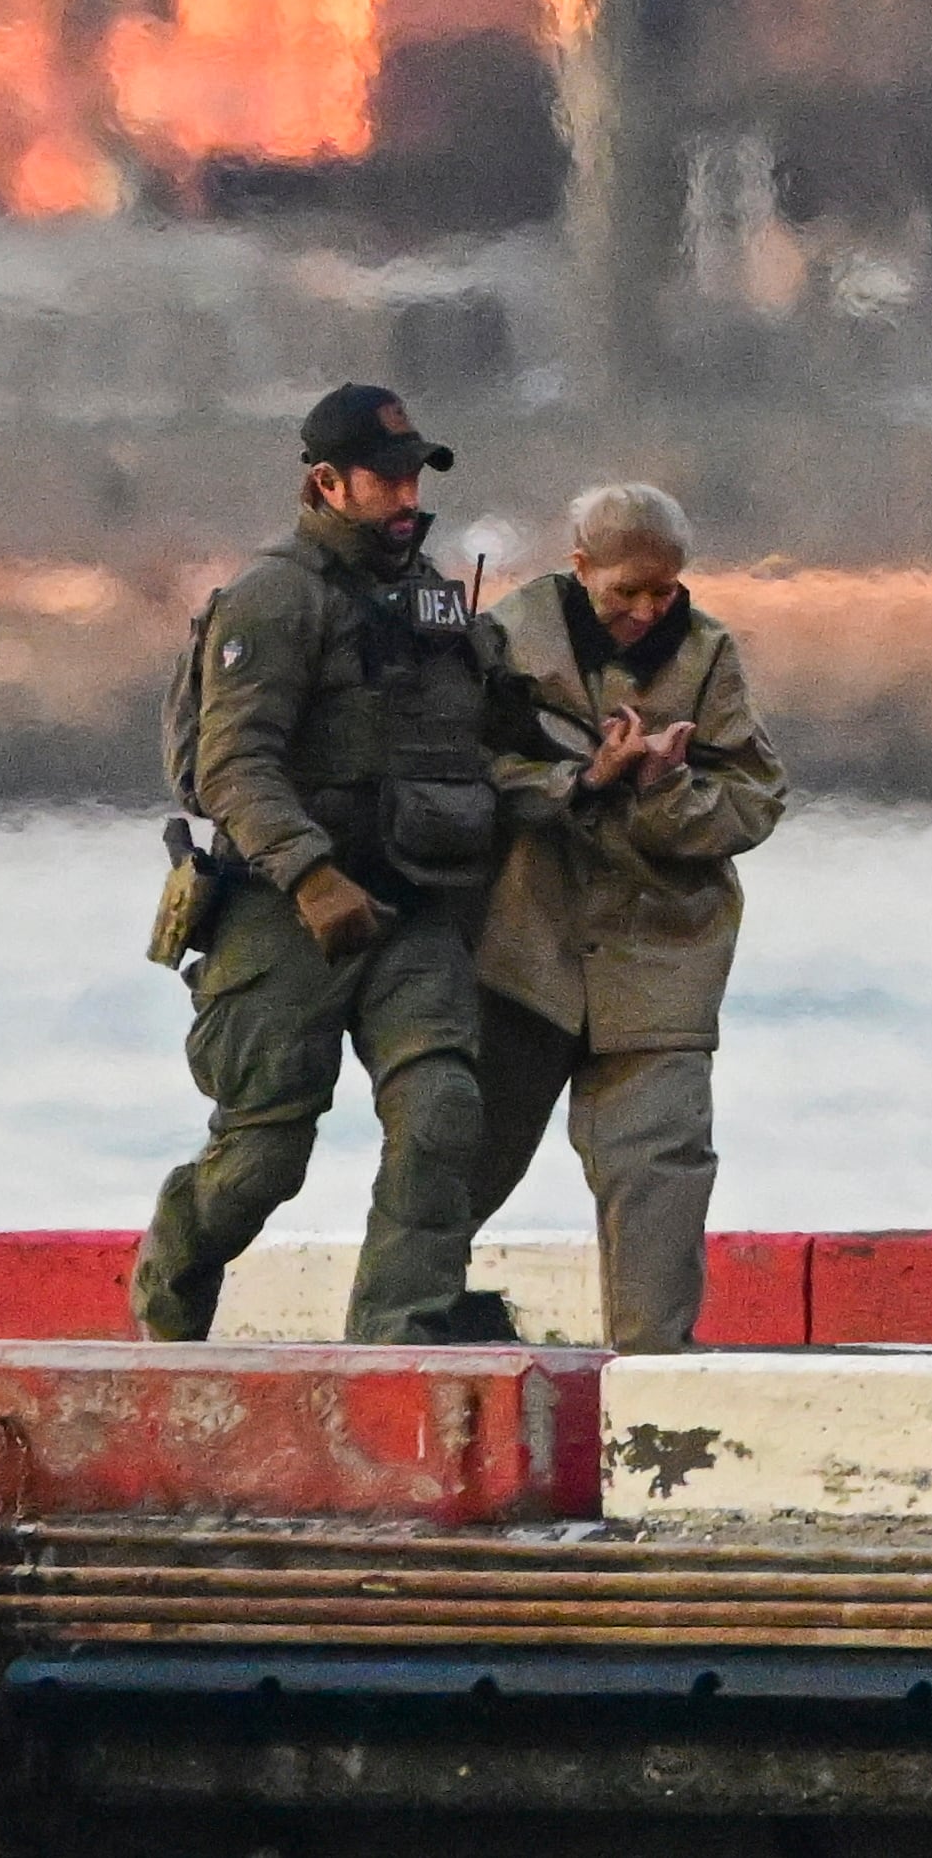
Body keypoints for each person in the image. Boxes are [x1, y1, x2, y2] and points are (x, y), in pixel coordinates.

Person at [134, 384, 500, 1345]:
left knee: (442, 1110)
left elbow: (489, 745)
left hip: (411, 906)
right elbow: (231, 765)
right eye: (386, 479)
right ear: (327, 482)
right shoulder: (275, 596)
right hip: (278, 909)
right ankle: (170, 1288)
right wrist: (309, 874)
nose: (407, 495)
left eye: (415, 475)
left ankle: (399, 1342)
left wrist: (590, 778)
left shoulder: (437, 603)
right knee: (262, 1160)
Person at [467, 483, 789, 1353]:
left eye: (666, 591)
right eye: (626, 593)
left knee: (659, 1171)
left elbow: (755, 802)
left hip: (661, 955)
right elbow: (463, 777)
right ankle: (395, 1343)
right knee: (456, 1163)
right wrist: (582, 781)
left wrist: (662, 788)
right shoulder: (502, 641)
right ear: (579, 569)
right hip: (523, 950)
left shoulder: (711, 656)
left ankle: (654, 1375)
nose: (649, 611)